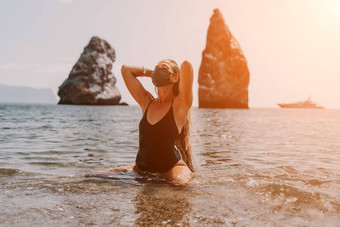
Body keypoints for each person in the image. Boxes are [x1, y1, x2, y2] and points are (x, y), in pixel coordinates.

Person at [96, 59, 194, 184]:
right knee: (93, 177)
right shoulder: (146, 102)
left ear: (175, 77)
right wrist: (153, 73)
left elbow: (187, 66)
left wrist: (171, 76)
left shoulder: (180, 105)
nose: (158, 70)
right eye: (156, 68)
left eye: (163, 67)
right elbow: (126, 70)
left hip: (171, 168)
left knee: (176, 186)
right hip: (141, 168)